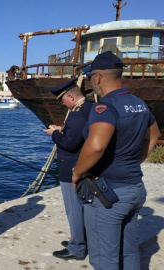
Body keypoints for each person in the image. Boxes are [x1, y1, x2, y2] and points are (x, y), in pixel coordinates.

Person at [72, 51, 161, 269]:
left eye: (92, 77)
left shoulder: (104, 107)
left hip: (108, 195)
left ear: (98, 77)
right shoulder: (138, 103)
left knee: (104, 259)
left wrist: (77, 173)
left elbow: (96, 146)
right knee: (129, 252)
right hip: (135, 189)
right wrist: (135, 160)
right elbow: (155, 135)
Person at [43, 78, 91, 260]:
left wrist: (54, 133)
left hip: (71, 168)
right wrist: (62, 129)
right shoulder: (89, 108)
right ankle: (80, 239)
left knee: (74, 209)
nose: (62, 103)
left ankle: (77, 247)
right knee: (81, 207)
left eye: (62, 99)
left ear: (70, 97)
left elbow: (70, 144)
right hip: (82, 166)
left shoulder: (78, 114)